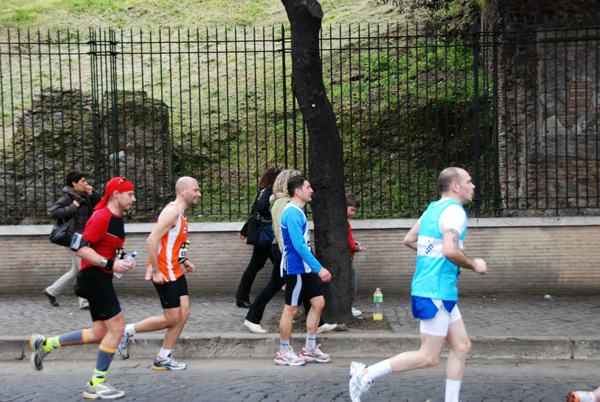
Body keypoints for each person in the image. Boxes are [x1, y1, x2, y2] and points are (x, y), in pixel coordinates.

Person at [348, 167, 488, 402]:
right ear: (455, 186)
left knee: (462, 346)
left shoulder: (432, 210)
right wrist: (474, 264)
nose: (473, 186)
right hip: (435, 291)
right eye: (470, 181)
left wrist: (436, 255)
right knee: (428, 356)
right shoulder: (455, 212)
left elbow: (410, 240)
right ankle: (365, 374)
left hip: (438, 290)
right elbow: (450, 250)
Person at [30, 176, 137, 400]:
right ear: (116, 194)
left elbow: (111, 247)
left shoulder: (116, 218)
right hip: (93, 278)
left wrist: (123, 257)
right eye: (130, 194)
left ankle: (47, 344)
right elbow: (80, 248)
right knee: (117, 330)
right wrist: (110, 264)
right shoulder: (101, 217)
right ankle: (96, 384)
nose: (133, 199)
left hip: (101, 278)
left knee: (100, 332)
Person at [116, 177, 200, 370]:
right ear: (182, 191)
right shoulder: (172, 212)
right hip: (164, 271)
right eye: (195, 190)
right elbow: (151, 240)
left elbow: (172, 242)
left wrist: (184, 260)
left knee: (184, 312)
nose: (199, 194)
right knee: (172, 318)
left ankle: (163, 356)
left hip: (175, 269)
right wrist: (155, 272)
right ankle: (126, 331)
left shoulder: (180, 214)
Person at [243, 169, 337, 335]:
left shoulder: (288, 203)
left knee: (307, 291)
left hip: (286, 252)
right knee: (280, 291)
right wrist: (285, 259)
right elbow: (284, 234)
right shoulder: (285, 204)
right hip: (285, 252)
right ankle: (253, 319)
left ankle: (318, 323)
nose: (310, 189)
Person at [275, 175, 333, 366]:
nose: (311, 190)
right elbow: (299, 247)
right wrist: (319, 268)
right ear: (298, 191)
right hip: (296, 268)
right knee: (290, 309)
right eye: (308, 187)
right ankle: (283, 351)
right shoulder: (292, 213)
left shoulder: (298, 212)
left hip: (303, 268)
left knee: (318, 302)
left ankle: (309, 348)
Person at [45, 171, 101, 309]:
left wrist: (92, 193)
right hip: (75, 238)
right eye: (82, 181)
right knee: (84, 269)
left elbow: (98, 205)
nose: (85, 183)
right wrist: (73, 207)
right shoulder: (68, 197)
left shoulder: (83, 195)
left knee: (76, 270)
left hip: (85, 236)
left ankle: (51, 291)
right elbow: (54, 212)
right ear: (74, 183)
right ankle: (85, 302)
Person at [236, 167, 280, 308]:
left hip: (263, 236)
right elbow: (261, 208)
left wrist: (245, 230)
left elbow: (253, 213)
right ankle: (241, 297)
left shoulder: (263, 192)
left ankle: (242, 297)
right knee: (279, 266)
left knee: (271, 266)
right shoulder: (268, 192)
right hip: (266, 236)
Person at [346, 193, 366, 317]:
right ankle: (349, 306)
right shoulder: (344, 223)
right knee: (352, 280)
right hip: (347, 257)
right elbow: (348, 242)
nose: (353, 213)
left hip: (348, 255)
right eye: (352, 210)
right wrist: (356, 247)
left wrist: (354, 243)